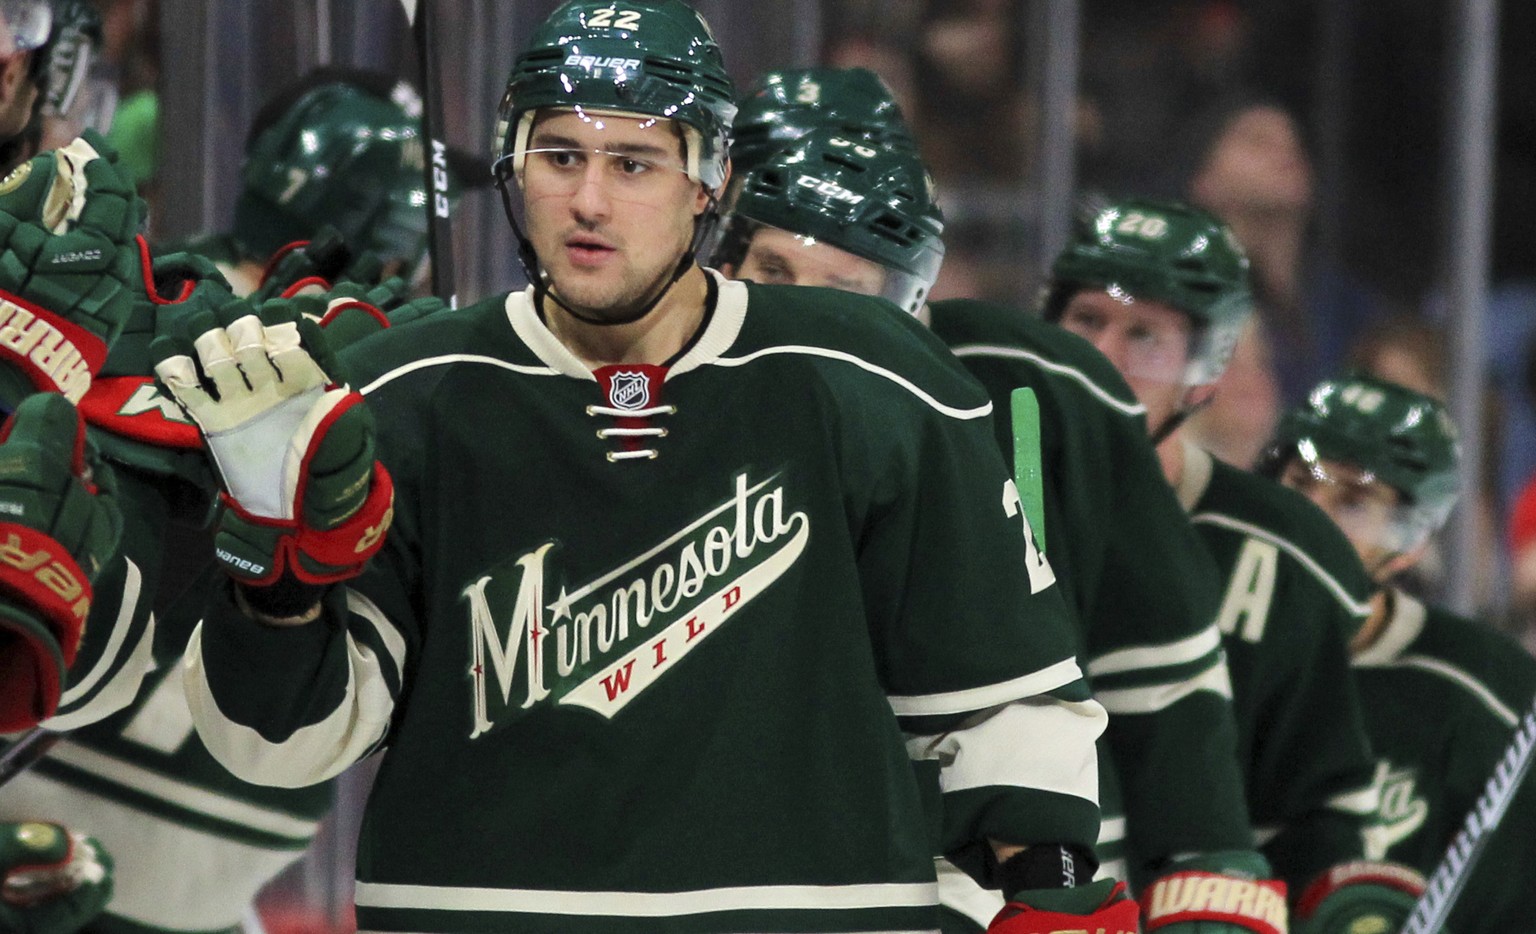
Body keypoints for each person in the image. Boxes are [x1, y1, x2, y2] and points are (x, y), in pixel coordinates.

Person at [153, 3, 1133, 932]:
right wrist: (273, 588)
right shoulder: (406, 395)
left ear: (708, 184)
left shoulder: (870, 379)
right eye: (561, 155)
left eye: (633, 163)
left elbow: (1003, 692)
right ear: (512, 163)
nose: (588, 199)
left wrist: (1048, 894)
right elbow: (278, 746)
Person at [714, 91, 1275, 934]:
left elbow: (1156, 668)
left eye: (846, 281)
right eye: (776, 268)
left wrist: (1206, 864)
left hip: (978, 879)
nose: (805, 312)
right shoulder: (634, 401)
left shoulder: (1045, 386)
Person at [1047, 196, 1432, 931]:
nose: (1104, 356)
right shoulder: (963, 485)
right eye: (1087, 320)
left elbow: (1312, 822)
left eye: (1146, 336)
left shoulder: (1288, 555)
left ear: (1205, 372)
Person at [1265, 372, 1536, 933]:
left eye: (1352, 502)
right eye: (1299, 483)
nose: (1306, 520)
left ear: (1411, 543)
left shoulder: (1491, 695)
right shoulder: (1185, 635)